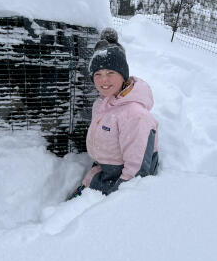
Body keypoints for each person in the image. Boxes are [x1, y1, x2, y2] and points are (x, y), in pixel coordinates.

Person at [68, 28, 159, 199]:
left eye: (110, 73)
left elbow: (138, 171)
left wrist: (118, 198)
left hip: (119, 181)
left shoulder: (135, 115)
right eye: (98, 74)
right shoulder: (103, 103)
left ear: (123, 75)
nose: (104, 80)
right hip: (103, 171)